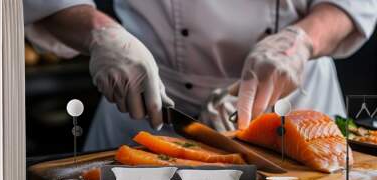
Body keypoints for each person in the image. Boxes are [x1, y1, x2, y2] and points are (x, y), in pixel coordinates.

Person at [23, 0, 377, 150]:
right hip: (146, 103)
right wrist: (101, 33)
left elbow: (352, 3)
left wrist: (300, 41)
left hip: (295, 100)